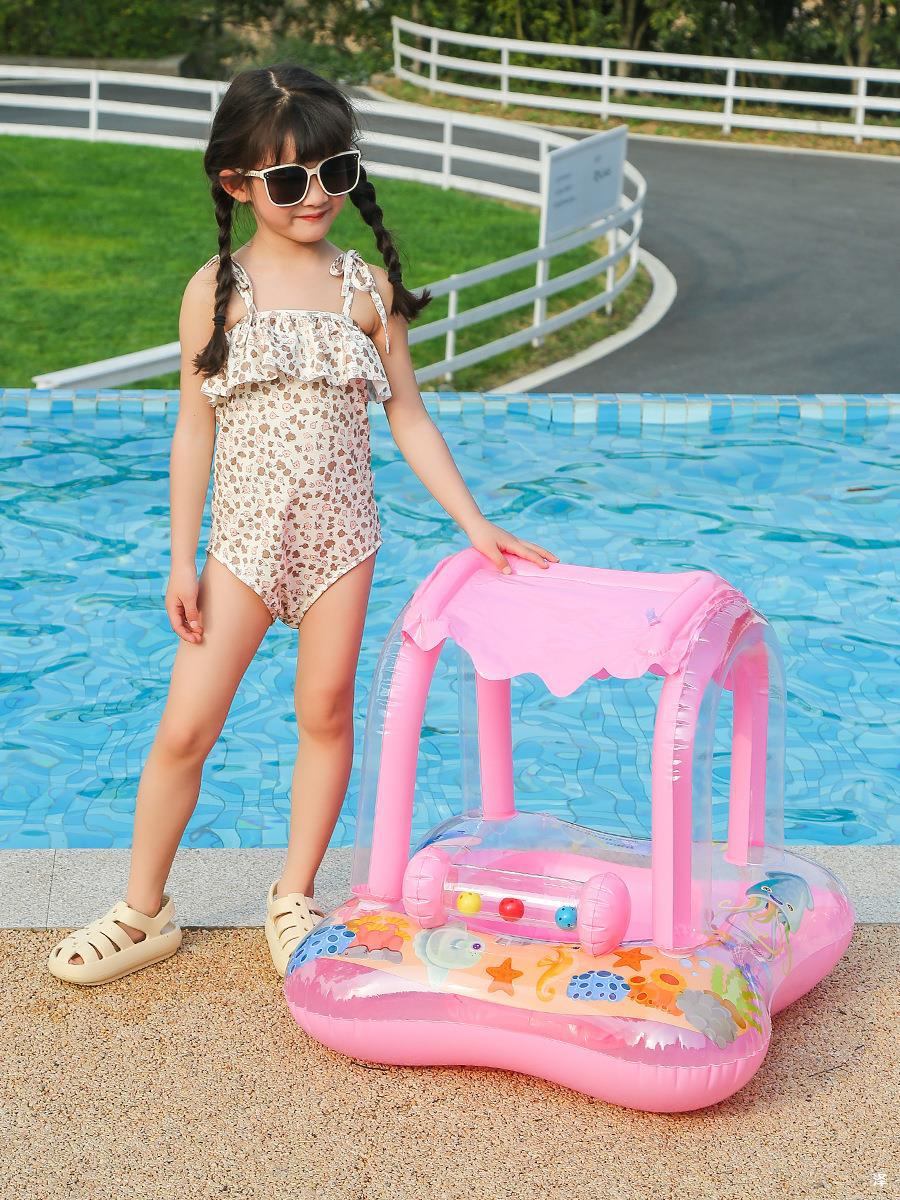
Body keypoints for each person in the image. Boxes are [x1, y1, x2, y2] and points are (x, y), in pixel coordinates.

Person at [47, 62, 558, 987]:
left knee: (324, 712)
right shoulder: (217, 288)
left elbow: (408, 418)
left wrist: (474, 523)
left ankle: (293, 895)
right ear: (237, 183)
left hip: (340, 545)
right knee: (185, 728)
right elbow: (193, 429)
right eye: (288, 179)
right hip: (242, 547)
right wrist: (181, 558)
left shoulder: (365, 290)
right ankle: (142, 910)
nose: (316, 194)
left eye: (336, 170)